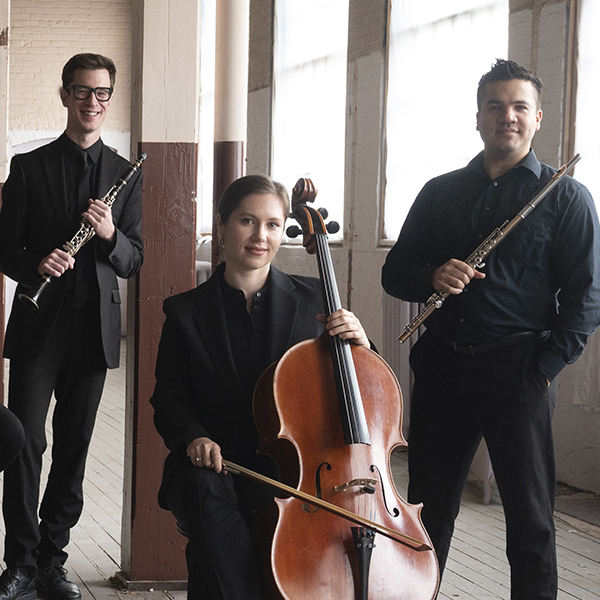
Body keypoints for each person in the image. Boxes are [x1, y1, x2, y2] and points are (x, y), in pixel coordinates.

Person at [381, 59, 600, 600]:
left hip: (518, 369)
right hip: (443, 366)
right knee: (428, 510)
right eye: (496, 107)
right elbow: (394, 274)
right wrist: (432, 273)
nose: (508, 116)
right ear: (478, 118)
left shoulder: (566, 198)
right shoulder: (440, 192)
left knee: (530, 520)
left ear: (538, 118)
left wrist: (544, 369)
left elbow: (587, 297)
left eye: (520, 106)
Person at [150, 174, 370, 599]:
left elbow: (361, 390)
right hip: (216, 462)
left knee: (215, 551)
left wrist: (361, 344)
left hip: (295, 469)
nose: (260, 235)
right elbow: (170, 398)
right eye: (247, 221)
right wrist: (194, 436)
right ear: (224, 225)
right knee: (204, 493)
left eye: (272, 224)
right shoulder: (185, 313)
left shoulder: (316, 303)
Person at [0, 53, 143, 600]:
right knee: (25, 442)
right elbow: (4, 246)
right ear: (65, 96)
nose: (92, 102)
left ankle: (53, 559)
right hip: (40, 324)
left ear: (109, 99)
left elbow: (134, 259)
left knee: (75, 446)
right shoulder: (28, 168)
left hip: (93, 331)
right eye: (82, 92)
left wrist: (109, 233)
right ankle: (20, 563)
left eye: (102, 93)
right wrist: (36, 262)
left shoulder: (125, 175)